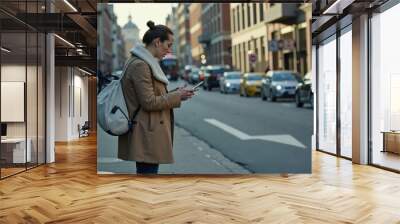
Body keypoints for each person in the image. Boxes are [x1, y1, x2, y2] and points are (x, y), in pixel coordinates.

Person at [118, 21, 194, 174]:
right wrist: (176, 96)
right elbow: (149, 102)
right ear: (157, 42)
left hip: (148, 130)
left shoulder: (143, 62)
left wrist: (176, 94)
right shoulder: (141, 65)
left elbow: (151, 94)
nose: (169, 49)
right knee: (148, 179)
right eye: (168, 44)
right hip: (147, 133)